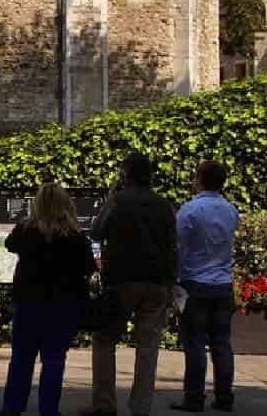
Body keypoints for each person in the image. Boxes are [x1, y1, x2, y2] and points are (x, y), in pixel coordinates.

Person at [83, 152, 177, 416]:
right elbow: (172, 246)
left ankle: (104, 403)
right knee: (148, 347)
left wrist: (111, 196)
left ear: (125, 175)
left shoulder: (117, 201)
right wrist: (171, 283)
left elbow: (96, 232)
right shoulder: (164, 205)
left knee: (104, 339)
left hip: (121, 280)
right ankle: (141, 407)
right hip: (157, 282)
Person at [0, 183, 97, 416]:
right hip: (63, 305)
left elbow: (9, 244)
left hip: (28, 302)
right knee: (54, 359)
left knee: (21, 357)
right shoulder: (75, 237)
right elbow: (88, 268)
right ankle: (49, 410)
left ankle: (12, 407)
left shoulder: (26, 231)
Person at [171, 160, 240, 413]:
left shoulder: (190, 210)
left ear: (199, 178)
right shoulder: (230, 210)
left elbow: (177, 246)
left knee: (195, 343)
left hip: (195, 283)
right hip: (223, 283)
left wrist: (174, 279)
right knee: (222, 343)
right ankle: (224, 398)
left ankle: (194, 398)